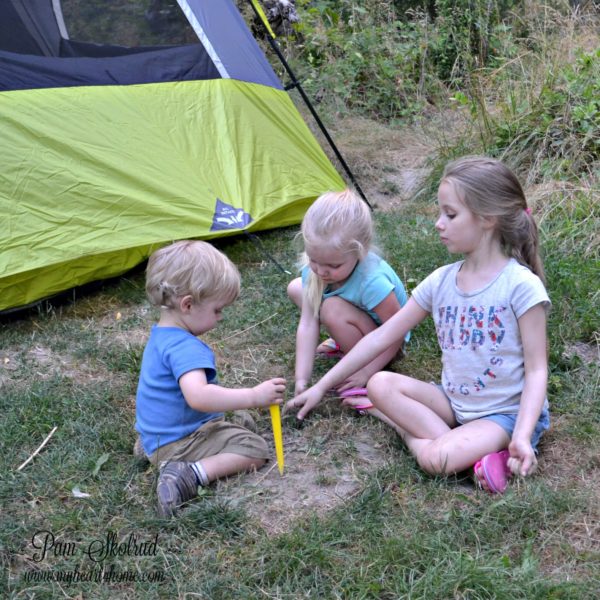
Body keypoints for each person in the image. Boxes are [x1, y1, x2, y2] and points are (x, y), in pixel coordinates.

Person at [287, 157, 550, 494]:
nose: (439, 223)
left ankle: (424, 436)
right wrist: (321, 386)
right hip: (454, 402)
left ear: (488, 219)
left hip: (504, 413)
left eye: (450, 214)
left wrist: (523, 435)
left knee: (436, 460)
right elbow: (381, 337)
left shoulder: (521, 286)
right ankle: (471, 452)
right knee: (379, 384)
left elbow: (537, 370)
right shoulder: (441, 281)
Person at [135, 240, 286, 517]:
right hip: (180, 441)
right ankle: (188, 474)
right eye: (217, 310)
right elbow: (199, 397)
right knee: (254, 447)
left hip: (155, 436)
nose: (220, 318)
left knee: (241, 422)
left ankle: (157, 451)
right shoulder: (185, 348)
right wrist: (254, 396)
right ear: (188, 304)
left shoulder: (161, 335)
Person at [286, 188, 409, 411]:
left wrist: (366, 371)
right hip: (362, 323)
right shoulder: (315, 271)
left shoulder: (372, 281)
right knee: (297, 287)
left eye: (333, 266)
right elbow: (307, 323)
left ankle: (354, 355)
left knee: (332, 309)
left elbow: (397, 332)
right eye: (314, 260)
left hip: (385, 344)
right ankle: (345, 342)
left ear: (359, 253)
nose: (321, 271)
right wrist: (301, 379)